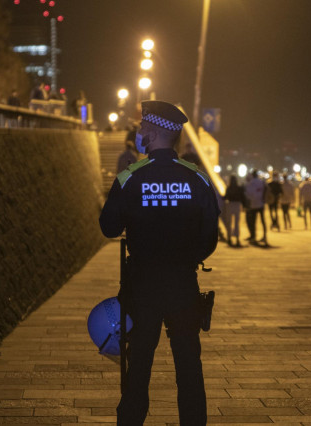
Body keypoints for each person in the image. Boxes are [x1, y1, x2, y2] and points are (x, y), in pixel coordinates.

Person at [99, 100, 219, 426]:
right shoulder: (197, 178)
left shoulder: (130, 177)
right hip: (183, 284)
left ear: (152, 132)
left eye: (142, 127)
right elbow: (211, 237)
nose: (139, 132)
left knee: (138, 366)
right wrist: (187, 257)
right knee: (189, 368)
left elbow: (108, 226)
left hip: (143, 286)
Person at [244, 170, 267, 244]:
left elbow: (248, 194)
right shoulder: (261, 182)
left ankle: (253, 237)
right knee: (263, 221)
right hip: (261, 204)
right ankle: (264, 236)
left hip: (253, 205)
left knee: (253, 221)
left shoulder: (250, 183)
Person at [224, 175, 244, 247]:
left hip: (230, 204)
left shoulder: (228, 188)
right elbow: (242, 197)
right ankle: (237, 238)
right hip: (237, 205)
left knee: (229, 222)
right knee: (236, 223)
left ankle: (229, 238)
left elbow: (226, 197)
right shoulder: (239, 188)